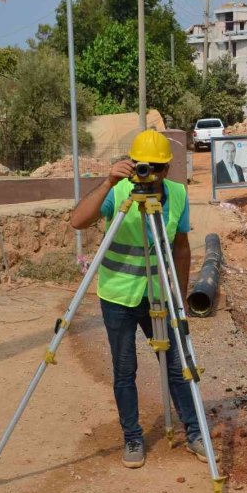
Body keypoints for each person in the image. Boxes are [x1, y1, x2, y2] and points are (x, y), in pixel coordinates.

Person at [70, 130, 212, 469]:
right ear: (133, 165)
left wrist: (178, 297)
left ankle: (194, 432)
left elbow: (181, 247)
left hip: (158, 295)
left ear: (167, 168)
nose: (152, 174)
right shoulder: (120, 190)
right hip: (118, 295)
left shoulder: (177, 194)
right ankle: (132, 437)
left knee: (177, 366)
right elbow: (77, 221)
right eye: (144, 166)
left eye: (159, 168)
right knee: (124, 369)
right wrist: (107, 183)